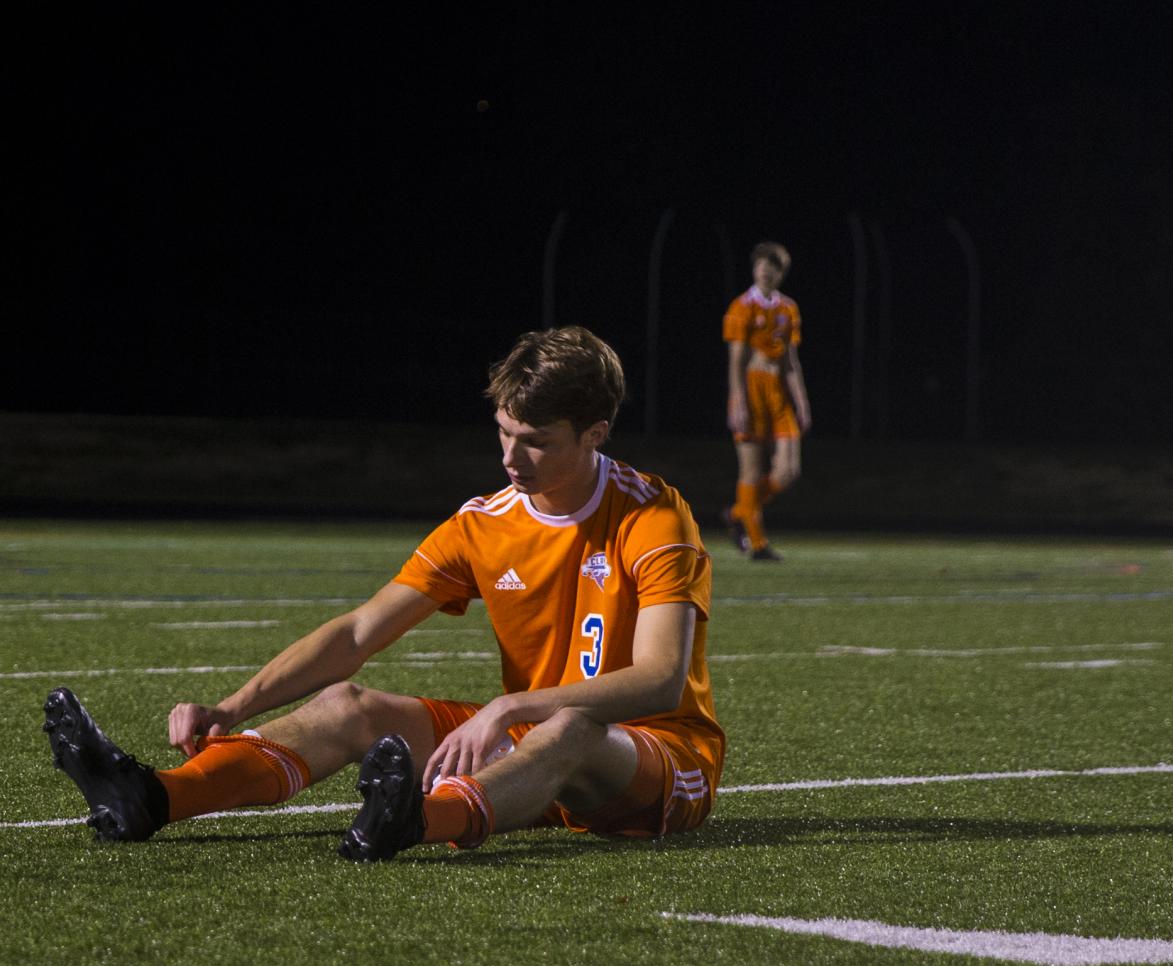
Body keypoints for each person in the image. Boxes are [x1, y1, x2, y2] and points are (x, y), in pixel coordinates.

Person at [43, 326, 724, 861]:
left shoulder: (653, 516)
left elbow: (660, 681)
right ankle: (154, 795)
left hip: (657, 763)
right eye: (503, 433)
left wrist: (509, 706)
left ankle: (419, 819)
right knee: (346, 705)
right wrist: (233, 704)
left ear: (595, 434)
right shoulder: (485, 521)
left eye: (536, 443)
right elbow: (359, 633)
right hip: (529, 747)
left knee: (570, 724)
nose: (511, 460)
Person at [722, 241, 811, 561]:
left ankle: (737, 513)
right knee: (751, 469)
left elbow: (790, 362)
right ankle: (758, 544)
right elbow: (736, 360)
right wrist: (738, 400)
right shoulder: (741, 306)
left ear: (780, 272)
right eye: (760, 263)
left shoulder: (788, 309)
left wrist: (801, 401)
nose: (764, 269)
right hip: (751, 389)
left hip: (779, 393)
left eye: (771, 265)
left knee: (788, 470)